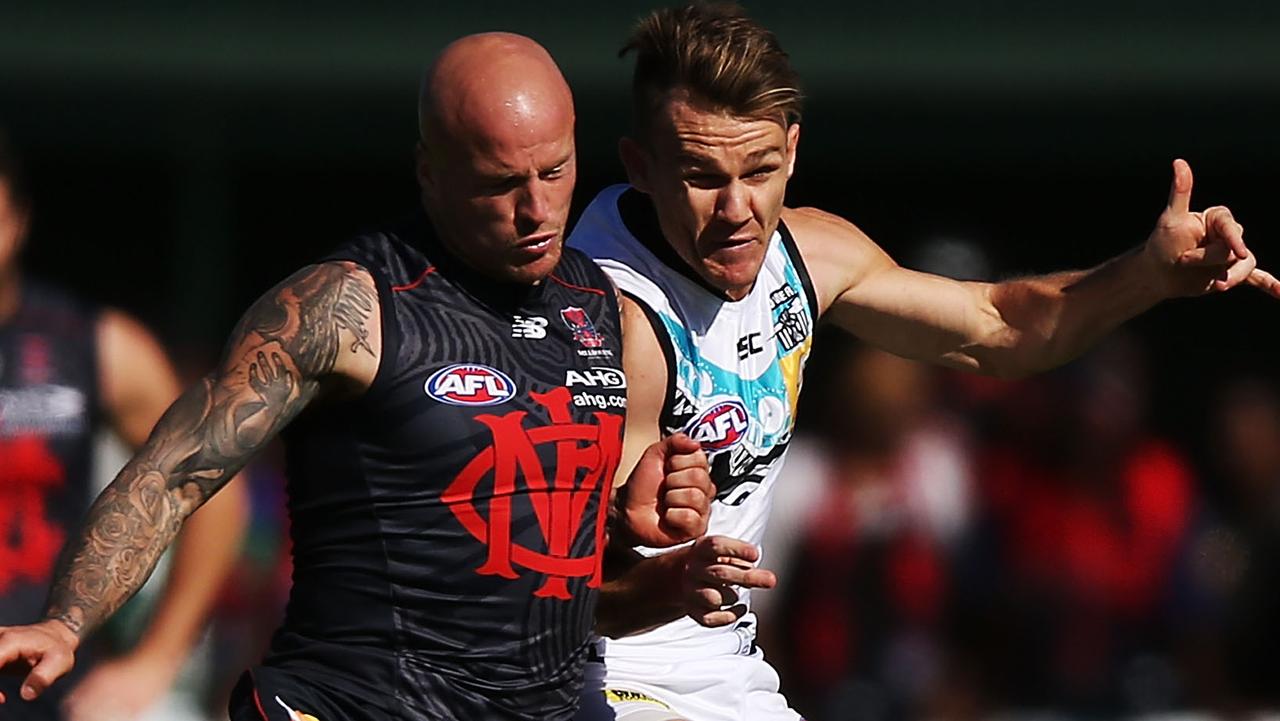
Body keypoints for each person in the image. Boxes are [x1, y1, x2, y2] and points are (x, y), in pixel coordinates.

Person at [566, 4, 1280, 720]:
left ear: (793, 150)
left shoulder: (808, 253)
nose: (737, 209)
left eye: (760, 170)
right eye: (701, 175)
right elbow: (552, 593)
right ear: (641, 167)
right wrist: (664, 580)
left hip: (730, 677)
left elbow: (998, 327)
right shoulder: (610, 320)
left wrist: (1148, 274)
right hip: (611, 679)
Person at [0, 33, 713, 721]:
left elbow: (574, 600)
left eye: (554, 172)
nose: (536, 209)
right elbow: (171, 473)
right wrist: (66, 622)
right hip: (351, 702)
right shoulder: (343, 307)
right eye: (500, 184)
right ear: (430, 171)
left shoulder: (606, 313)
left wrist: (662, 566)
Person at [0, 129, 249, 720]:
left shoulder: (96, 344)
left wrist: (155, 661)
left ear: (18, 221)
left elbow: (215, 489)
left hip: (52, 684)